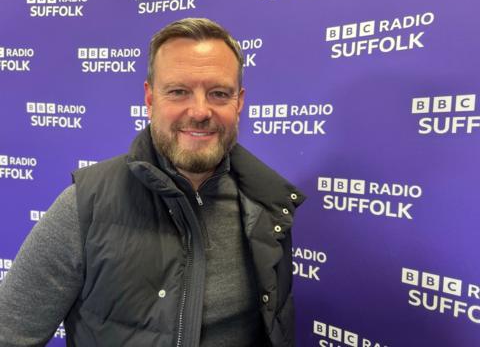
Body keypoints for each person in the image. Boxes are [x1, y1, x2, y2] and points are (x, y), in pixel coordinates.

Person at [0, 18, 305, 347]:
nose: (200, 111)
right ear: (149, 99)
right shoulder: (83, 207)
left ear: (239, 102)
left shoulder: (266, 207)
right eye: (178, 91)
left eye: (219, 93)